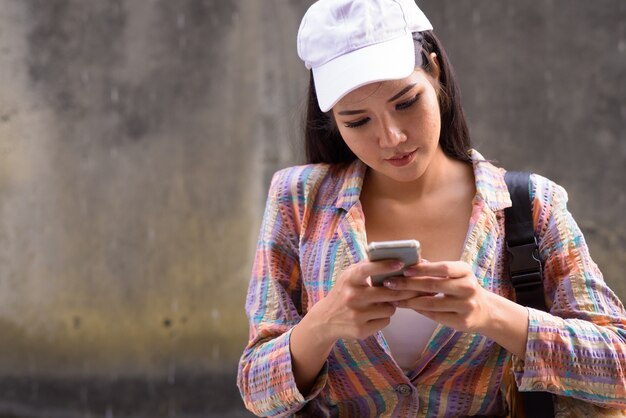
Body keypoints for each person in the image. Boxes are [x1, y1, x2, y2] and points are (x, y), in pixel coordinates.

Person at [237, 0, 626, 416]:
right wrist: (323, 323)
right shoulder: (298, 200)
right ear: (332, 120)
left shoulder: (530, 205)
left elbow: (617, 365)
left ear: (435, 73)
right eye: (357, 121)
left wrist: (492, 314)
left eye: (405, 103)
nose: (391, 137)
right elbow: (257, 392)